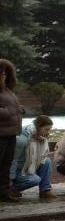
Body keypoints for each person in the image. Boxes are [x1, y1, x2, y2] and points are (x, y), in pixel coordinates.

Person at [11, 116, 56, 200]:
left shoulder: (39, 138)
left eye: (50, 129)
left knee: (47, 161)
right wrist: (9, 181)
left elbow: (42, 156)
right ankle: (9, 190)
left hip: (26, 166)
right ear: (39, 127)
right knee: (35, 180)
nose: (49, 132)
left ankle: (45, 190)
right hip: (16, 170)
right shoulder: (22, 139)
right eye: (47, 129)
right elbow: (12, 161)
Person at [0, 59, 21, 202]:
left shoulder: (8, 90)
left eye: (5, 73)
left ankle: (4, 191)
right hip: (0, 133)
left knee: (6, 164)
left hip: (11, 132)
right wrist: (7, 112)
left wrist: (19, 110)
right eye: (1, 73)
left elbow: (11, 106)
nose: (3, 76)